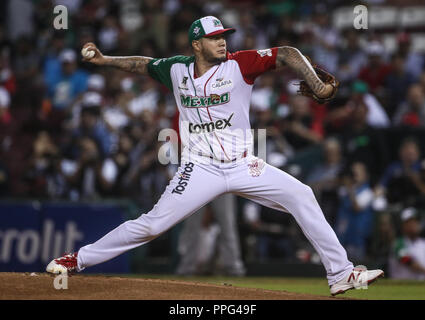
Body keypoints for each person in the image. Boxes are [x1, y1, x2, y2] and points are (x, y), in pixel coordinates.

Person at [46, 16, 383, 296]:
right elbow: (142, 64)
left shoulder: (240, 65)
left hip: (243, 165)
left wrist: (316, 83)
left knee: (302, 194)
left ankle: (340, 274)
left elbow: (288, 54)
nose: (223, 42)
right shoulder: (176, 69)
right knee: (151, 225)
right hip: (199, 169)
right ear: (196, 45)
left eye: (224, 36)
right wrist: (104, 61)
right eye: (214, 38)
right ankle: (76, 260)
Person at [389, 208, 425, 280]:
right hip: (401, 287)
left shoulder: (423, 243)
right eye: (410, 222)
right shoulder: (398, 244)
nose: (414, 224)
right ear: (403, 225)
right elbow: (406, 260)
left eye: (416, 221)